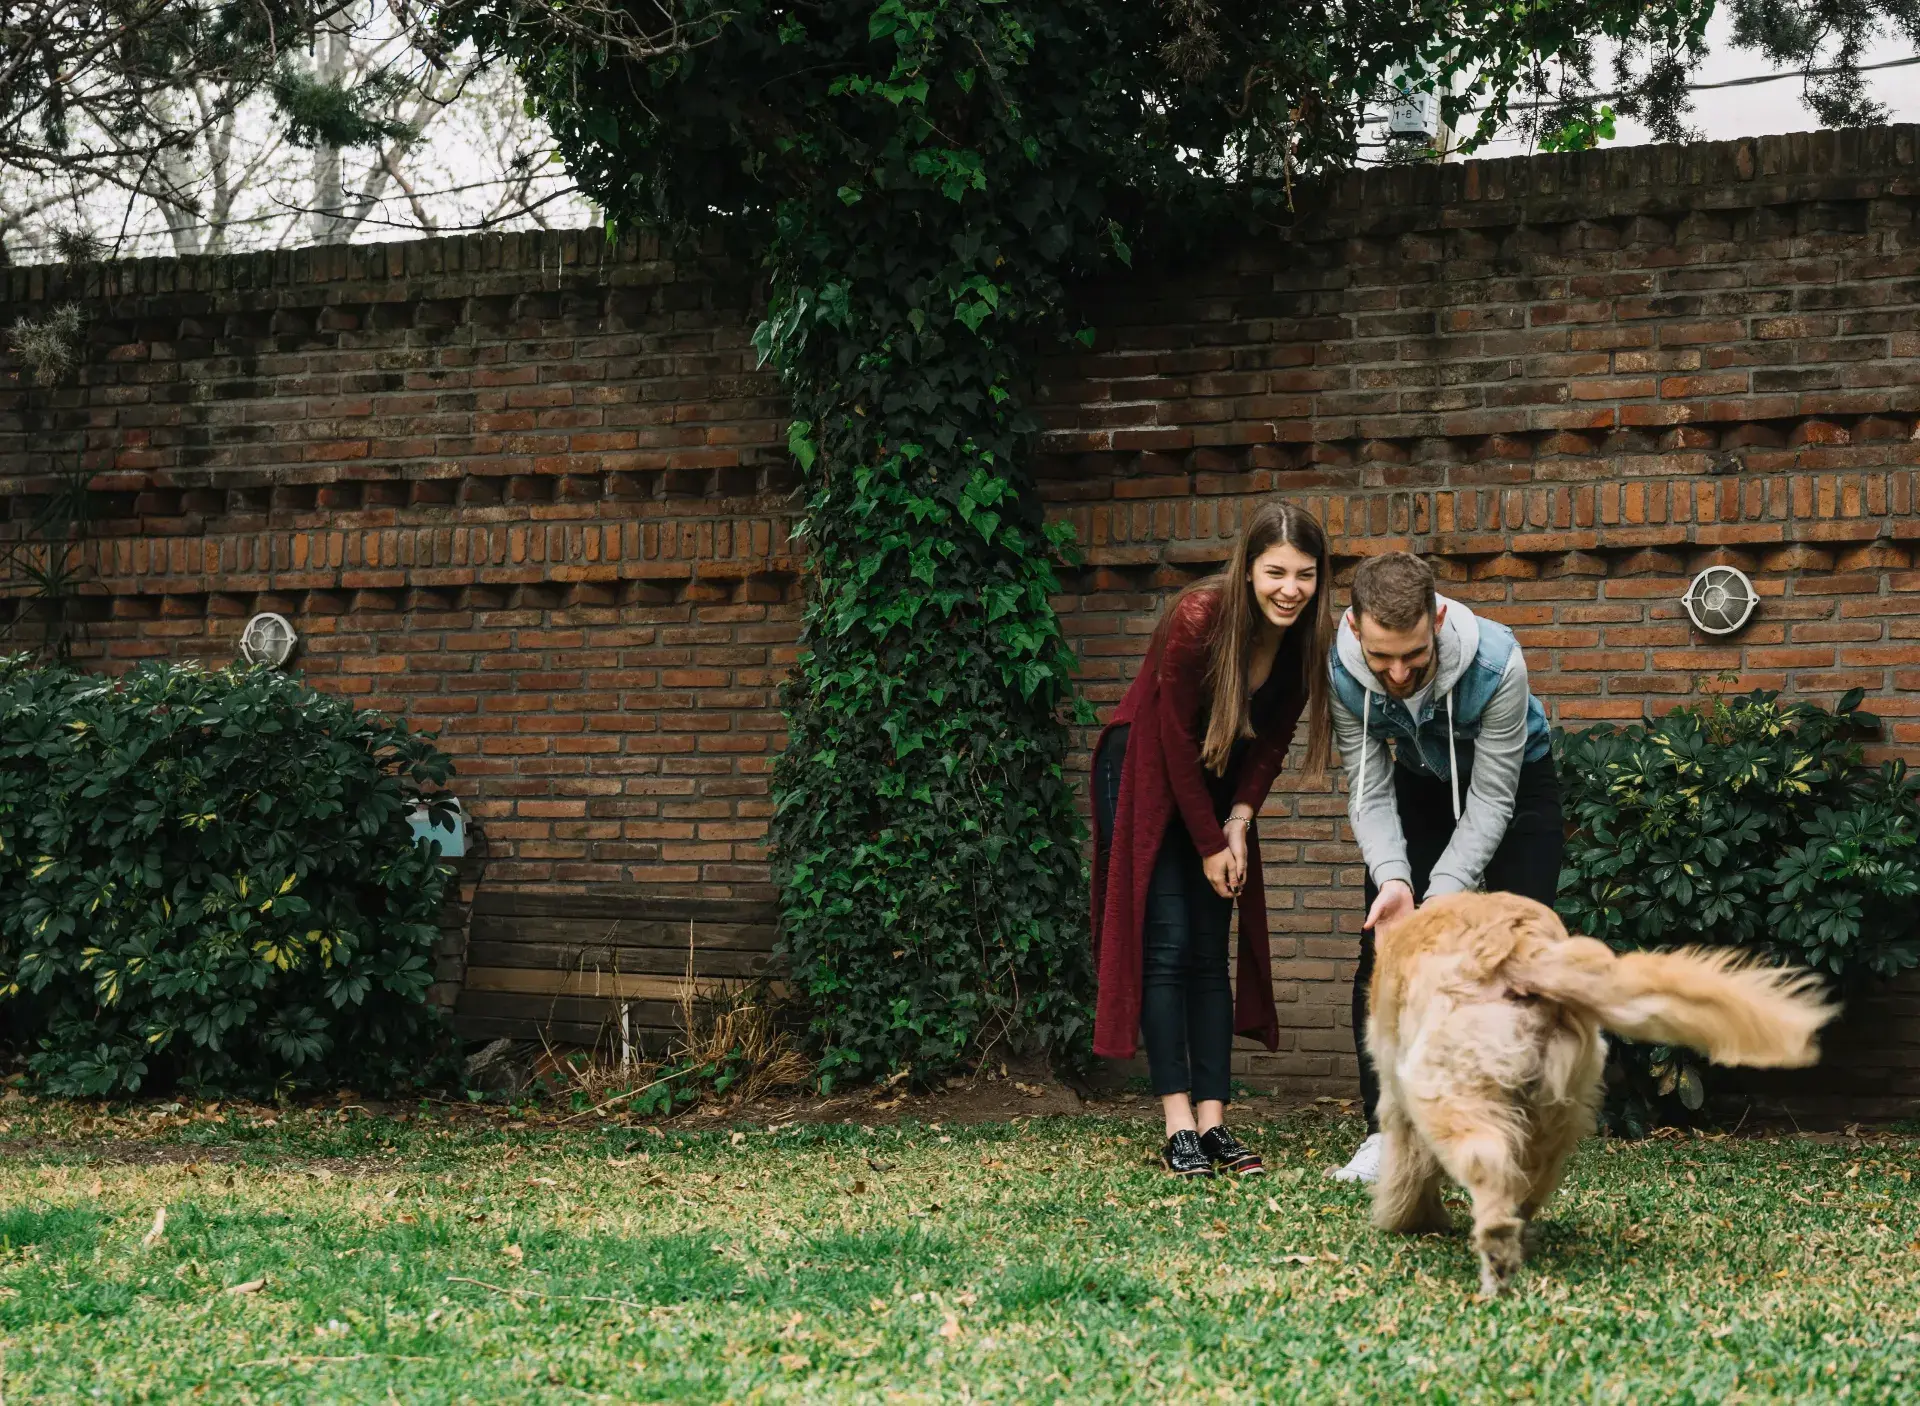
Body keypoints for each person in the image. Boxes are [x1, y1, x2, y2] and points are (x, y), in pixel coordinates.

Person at [1089, 500, 1333, 1178]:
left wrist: (1240, 824)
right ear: (1248, 569)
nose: (1291, 589)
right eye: (1276, 572)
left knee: (1209, 949)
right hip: (1144, 772)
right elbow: (1170, 740)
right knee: (1168, 944)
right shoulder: (1199, 619)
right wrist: (1206, 844)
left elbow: (1274, 740)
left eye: (1305, 575)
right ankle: (1177, 1126)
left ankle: (1215, 1123)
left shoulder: (1307, 638)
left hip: (1217, 787)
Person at [1322, 551, 1563, 1183]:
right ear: (1354, 629)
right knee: (1383, 949)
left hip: (1516, 788)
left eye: (1414, 656)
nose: (1398, 674)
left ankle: (1507, 1128)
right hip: (1418, 783)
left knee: (1520, 959)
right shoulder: (1343, 673)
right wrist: (1398, 883)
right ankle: (1386, 1133)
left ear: (1439, 618)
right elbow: (1368, 792)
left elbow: (1491, 800)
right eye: (1382, 658)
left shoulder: (1496, 662)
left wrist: (1443, 901)